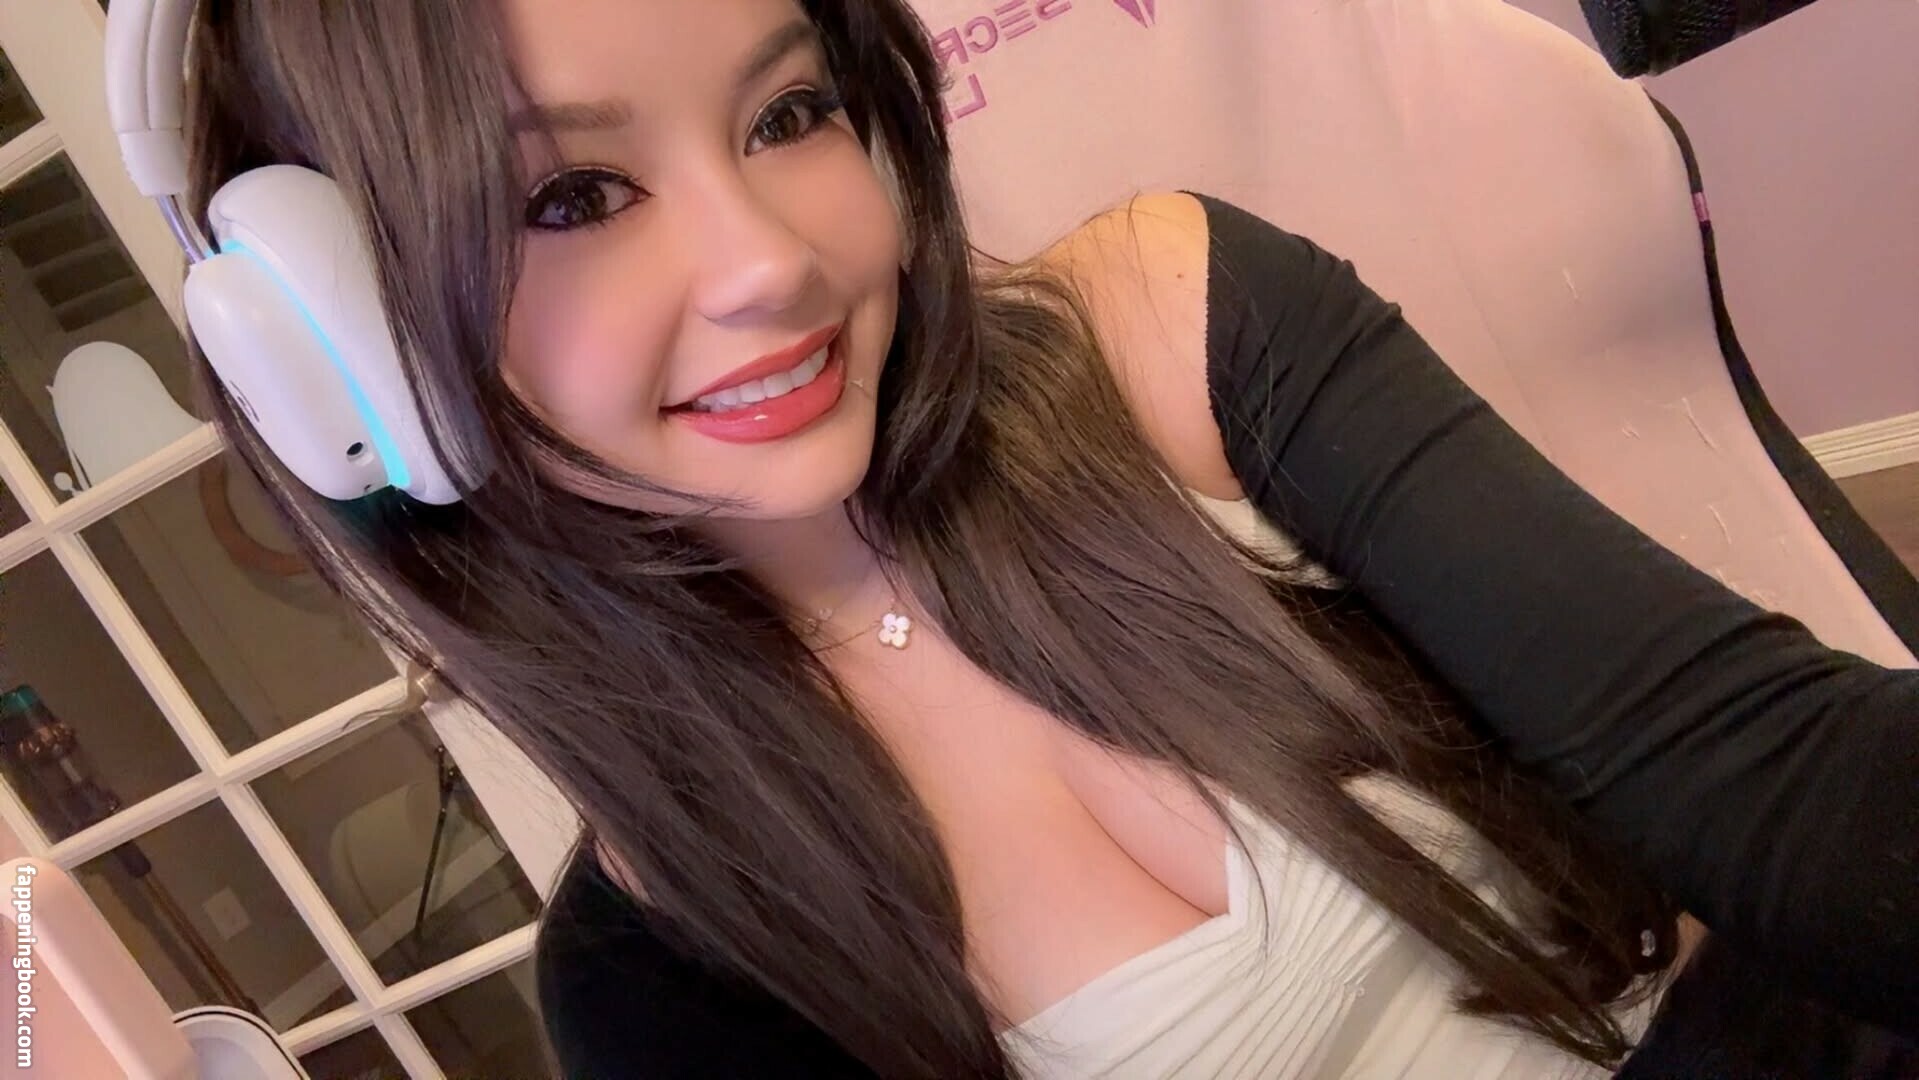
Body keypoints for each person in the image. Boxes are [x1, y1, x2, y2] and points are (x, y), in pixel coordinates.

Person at [162, 0, 1916, 1076]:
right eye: (572, 196)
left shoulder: (1170, 331)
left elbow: (1779, 783)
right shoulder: (661, 978)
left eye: (788, 114)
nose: (771, 258)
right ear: (346, 350)